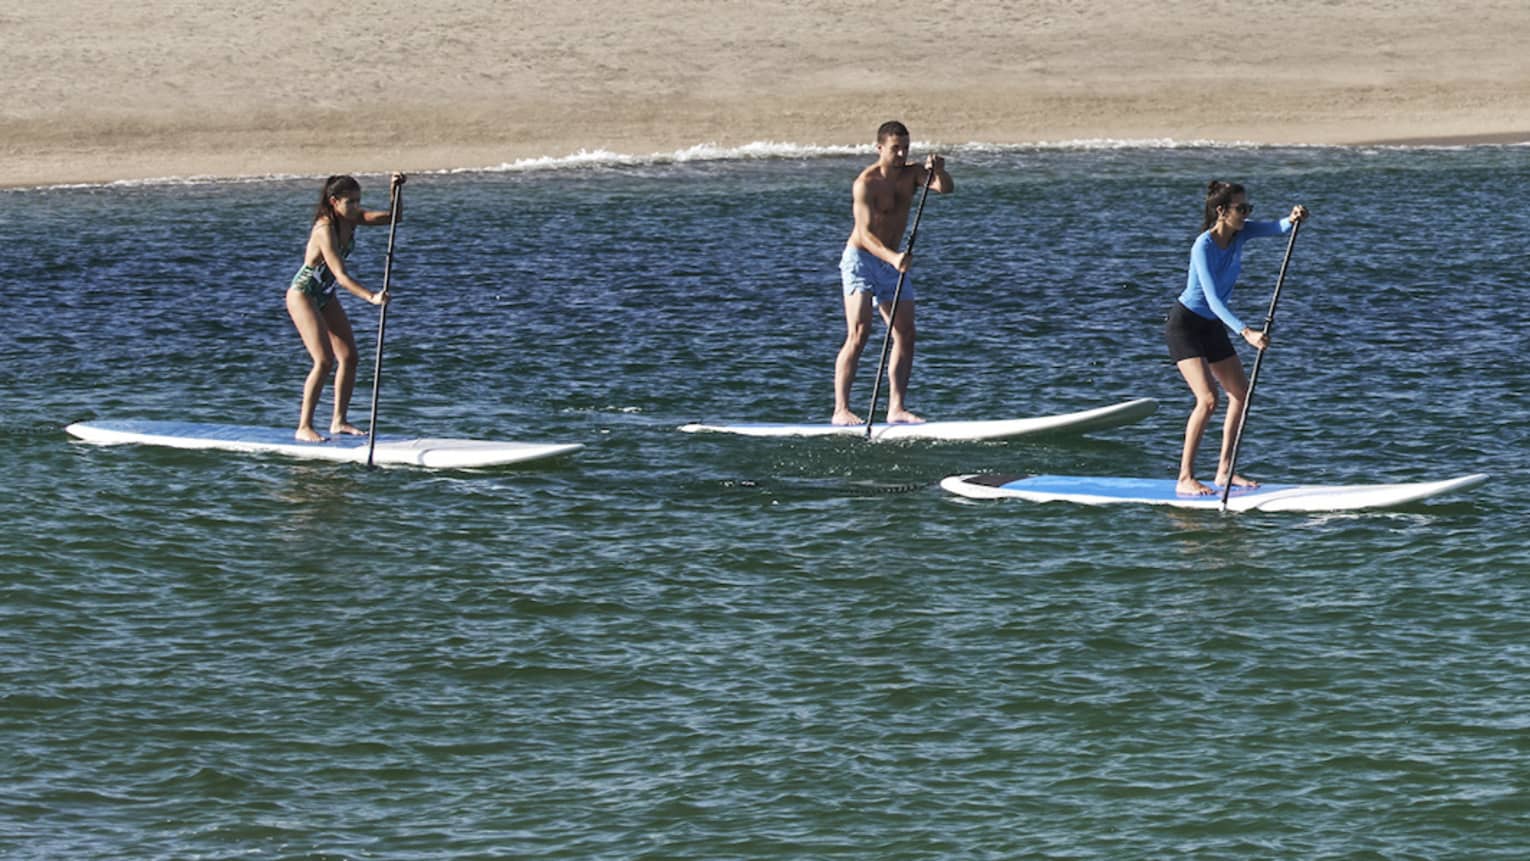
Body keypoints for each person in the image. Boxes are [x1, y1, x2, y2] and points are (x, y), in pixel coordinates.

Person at [1167, 180, 1308, 495]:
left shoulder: (1241, 233)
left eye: (1248, 208)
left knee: (1240, 394)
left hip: (1212, 325)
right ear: (1221, 211)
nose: (1246, 214)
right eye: (1240, 208)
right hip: (1186, 325)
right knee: (1208, 400)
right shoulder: (1202, 246)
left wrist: (1293, 217)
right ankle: (1185, 478)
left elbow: (1278, 227)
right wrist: (1246, 332)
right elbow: (1213, 299)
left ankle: (1224, 471)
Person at [832, 120, 953, 425]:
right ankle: (841, 410)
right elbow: (864, 234)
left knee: (906, 334)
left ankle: (896, 408)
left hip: (893, 263)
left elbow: (945, 189)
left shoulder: (912, 174)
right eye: (895, 148)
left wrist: (938, 170)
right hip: (861, 260)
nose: (901, 154)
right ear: (879, 148)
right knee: (859, 333)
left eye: (905, 148)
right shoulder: (866, 183)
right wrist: (893, 257)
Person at [286, 172, 404, 442]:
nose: (355, 206)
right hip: (303, 294)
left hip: (325, 295)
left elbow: (395, 217)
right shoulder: (324, 229)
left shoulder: (352, 219)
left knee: (350, 358)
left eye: (358, 200)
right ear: (334, 201)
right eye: (350, 201)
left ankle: (339, 421)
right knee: (324, 360)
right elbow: (340, 275)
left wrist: (395, 190)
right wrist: (371, 297)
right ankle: (304, 426)